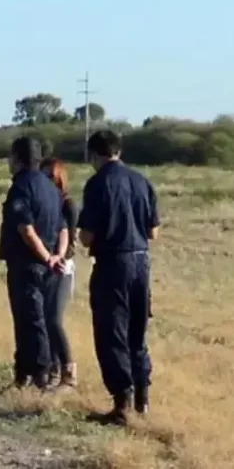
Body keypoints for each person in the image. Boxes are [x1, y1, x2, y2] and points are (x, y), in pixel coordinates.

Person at [78, 130, 159, 425]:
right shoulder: (141, 181)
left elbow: (87, 237)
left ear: (93, 155)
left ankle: (121, 404)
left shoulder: (98, 184)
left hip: (113, 264)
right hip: (141, 262)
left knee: (112, 333)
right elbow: (153, 232)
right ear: (119, 151)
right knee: (137, 333)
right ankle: (143, 399)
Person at [0, 137, 67, 390]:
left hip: (28, 265)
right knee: (37, 319)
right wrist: (57, 256)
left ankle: (40, 374)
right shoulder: (50, 188)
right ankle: (24, 374)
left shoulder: (21, 187)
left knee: (30, 321)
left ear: (16, 158)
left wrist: (45, 257)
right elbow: (63, 227)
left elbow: (26, 230)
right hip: (48, 268)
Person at [39, 157, 78, 389]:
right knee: (43, 320)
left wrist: (59, 257)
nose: (47, 181)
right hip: (43, 264)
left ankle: (69, 371)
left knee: (54, 319)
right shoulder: (44, 202)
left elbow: (70, 239)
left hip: (62, 267)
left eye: (51, 177)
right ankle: (51, 370)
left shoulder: (68, 204)